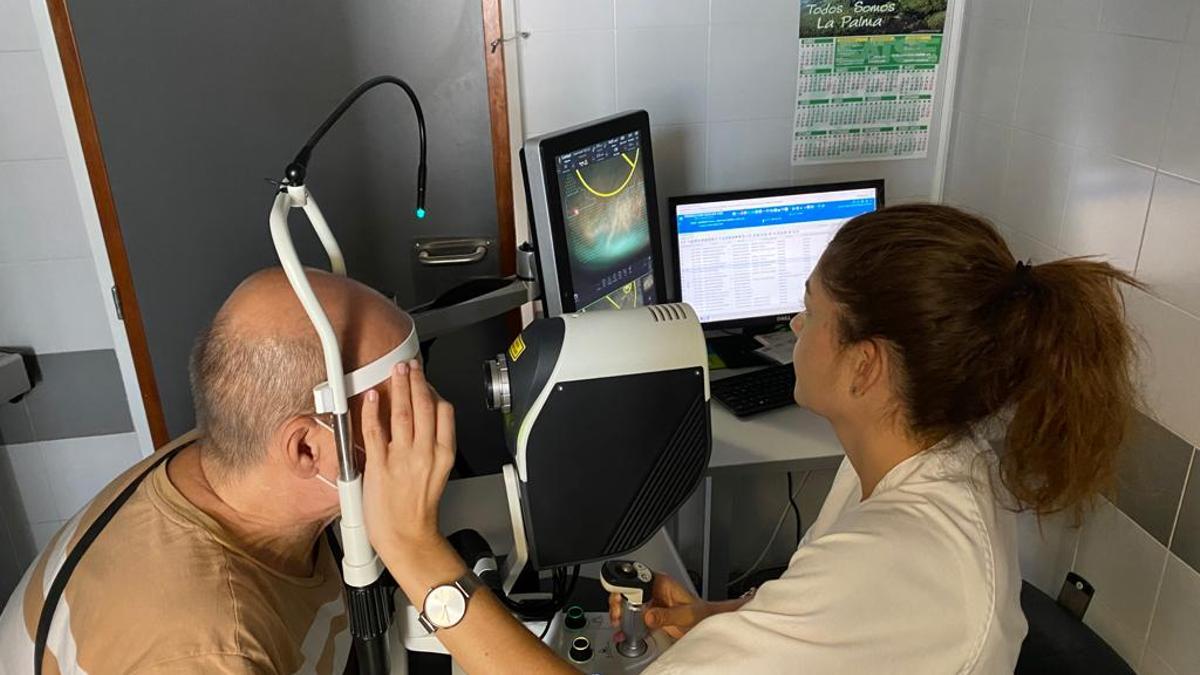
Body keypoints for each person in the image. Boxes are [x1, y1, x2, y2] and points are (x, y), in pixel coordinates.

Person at [360, 204, 1140, 673]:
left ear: (866, 366)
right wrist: (726, 621)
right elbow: (846, 629)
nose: (796, 325)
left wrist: (413, 550)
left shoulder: (901, 557)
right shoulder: (936, 457)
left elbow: (862, 595)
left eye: (812, 311)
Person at [0, 268, 414, 673]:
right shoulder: (207, 650)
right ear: (306, 448)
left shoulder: (233, 459)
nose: (433, 413)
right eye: (403, 403)